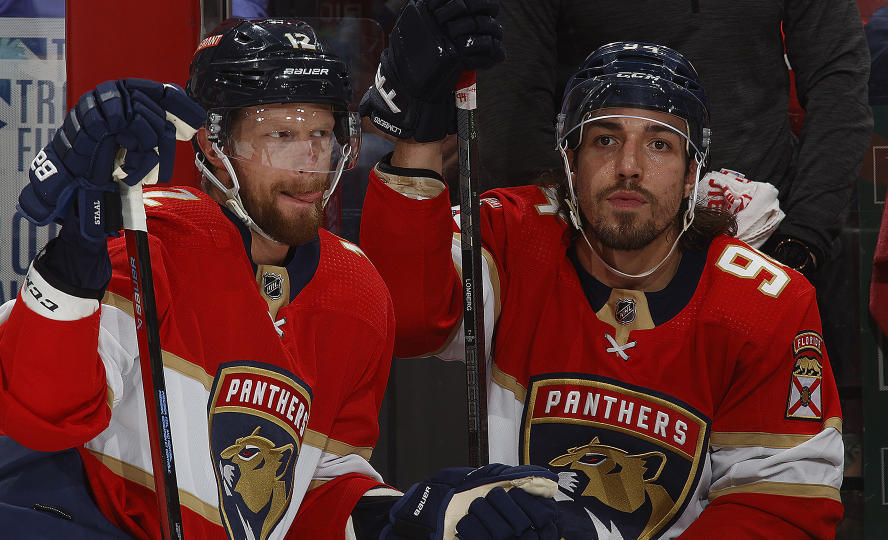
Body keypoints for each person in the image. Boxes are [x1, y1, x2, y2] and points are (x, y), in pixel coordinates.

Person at [0, 15, 563, 540]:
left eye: (321, 134)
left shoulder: (359, 291)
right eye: (279, 135)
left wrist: (411, 518)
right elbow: (40, 414)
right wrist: (75, 257)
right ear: (212, 148)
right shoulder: (144, 239)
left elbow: (309, 484)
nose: (310, 162)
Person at [360, 25, 845, 538]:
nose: (628, 167)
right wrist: (418, 142)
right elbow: (407, 318)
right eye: (605, 139)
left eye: (659, 144)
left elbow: (782, 509)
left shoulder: (766, 302)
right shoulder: (514, 236)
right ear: (570, 160)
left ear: (690, 176)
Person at [473, 1, 872, 283]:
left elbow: (839, 80)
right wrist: (583, 247)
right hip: (601, 255)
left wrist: (802, 239)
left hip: (768, 244)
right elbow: (511, 113)